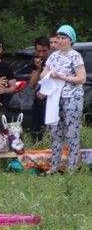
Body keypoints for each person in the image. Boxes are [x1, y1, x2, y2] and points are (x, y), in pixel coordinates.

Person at [41, 25, 86, 174]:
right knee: (55, 131)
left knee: (71, 132)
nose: (60, 41)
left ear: (70, 40)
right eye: (58, 38)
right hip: (55, 97)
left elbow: (81, 78)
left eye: (63, 38)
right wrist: (47, 76)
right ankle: (54, 166)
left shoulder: (75, 55)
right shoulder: (53, 56)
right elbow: (43, 74)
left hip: (72, 97)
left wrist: (62, 77)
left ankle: (72, 168)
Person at [27, 35, 52, 143]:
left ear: (49, 49)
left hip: (52, 101)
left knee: (51, 132)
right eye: (38, 51)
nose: (41, 54)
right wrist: (37, 68)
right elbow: (32, 84)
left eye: (44, 51)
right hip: (38, 102)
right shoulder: (36, 61)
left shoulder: (54, 60)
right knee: (36, 133)